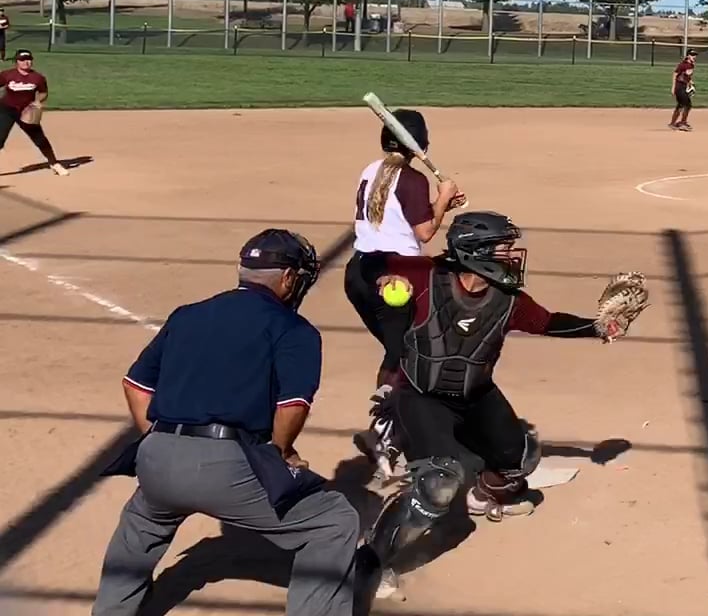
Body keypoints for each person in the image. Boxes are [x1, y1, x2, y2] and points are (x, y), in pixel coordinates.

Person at [91, 229, 363, 616]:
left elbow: (135, 386)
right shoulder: (293, 329)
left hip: (155, 457)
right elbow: (292, 406)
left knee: (141, 523)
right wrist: (282, 452)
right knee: (333, 520)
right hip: (227, 467)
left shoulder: (187, 314)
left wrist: (162, 440)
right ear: (288, 278)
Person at [364, 210, 630, 590]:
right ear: (475, 251)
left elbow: (548, 322)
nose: (511, 255)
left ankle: (482, 495)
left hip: (476, 395)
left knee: (521, 458)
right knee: (439, 484)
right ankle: (371, 560)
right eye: (503, 248)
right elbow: (367, 265)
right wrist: (382, 279)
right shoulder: (425, 277)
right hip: (422, 397)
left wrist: (598, 327)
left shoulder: (508, 300)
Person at [343, 108, 464, 482]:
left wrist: (439, 204)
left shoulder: (371, 170)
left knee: (400, 352)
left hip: (361, 273)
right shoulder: (413, 179)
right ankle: (383, 434)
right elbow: (424, 232)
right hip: (397, 279)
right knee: (407, 354)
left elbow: (395, 218)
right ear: (420, 144)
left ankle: (394, 425)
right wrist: (443, 198)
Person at [2, 49, 68, 175]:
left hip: (27, 111)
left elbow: (43, 92)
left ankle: (54, 163)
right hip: (7, 110)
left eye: (28, 59)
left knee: (39, 138)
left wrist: (38, 101)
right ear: (17, 62)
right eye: (22, 60)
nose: (26, 62)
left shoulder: (38, 78)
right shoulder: (7, 75)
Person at [669, 50, 697, 131]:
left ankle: (673, 123)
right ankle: (682, 123)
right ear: (688, 56)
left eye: (695, 55)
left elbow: (687, 76)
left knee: (681, 105)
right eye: (692, 55)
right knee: (687, 105)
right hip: (679, 87)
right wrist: (673, 87)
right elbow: (675, 74)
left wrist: (690, 82)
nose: (694, 56)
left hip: (684, 87)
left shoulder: (692, 65)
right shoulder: (683, 65)